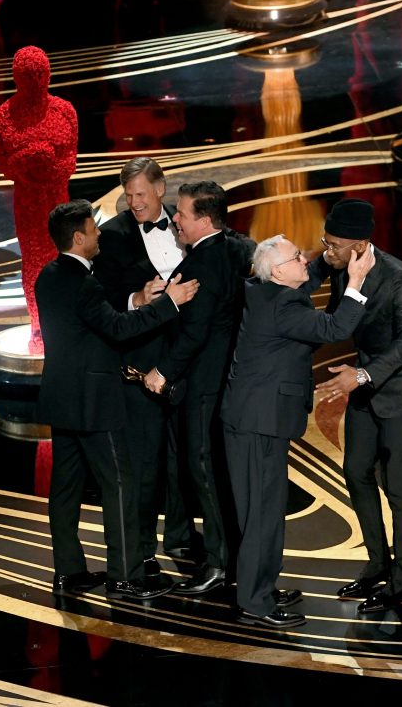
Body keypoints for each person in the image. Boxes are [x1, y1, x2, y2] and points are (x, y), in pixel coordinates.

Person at [35, 199, 198, 600]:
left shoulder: (48, 276)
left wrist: (137, 300)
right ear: (78, 238)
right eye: (93, 230)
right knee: (120, 484)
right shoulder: (85, 283)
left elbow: (90, 324)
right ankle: (124, 576)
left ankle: (68, 572)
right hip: (94, 402)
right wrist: (168, 303)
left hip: (61, 399)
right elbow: (118, 329)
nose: (99, 236)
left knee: (66, 489)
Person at [220, 235, 375, 628]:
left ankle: (262, 586)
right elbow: (334, 328)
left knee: (267, 510)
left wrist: (327, 258)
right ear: (277, 271)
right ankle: (255, 601)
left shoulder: (263, 289)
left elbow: (304, 281)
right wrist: (356, 280)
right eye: (297, 257)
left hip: (257, 417)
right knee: (261, 514)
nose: (304, 259)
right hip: (258, 421)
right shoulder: (283, 305)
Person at [314, 198, 402, 614]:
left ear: (359, 246)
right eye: (325, 241)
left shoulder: (398, 277)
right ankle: (377, 564)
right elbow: (332, 314)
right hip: (367, 379)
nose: (326, 251)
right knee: (356, 471)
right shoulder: (341, 265)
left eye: (334, 244)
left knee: (398, 485)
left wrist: (362, 375)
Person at [92, 157, 196, 575]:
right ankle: (142, 549)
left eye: (140, 193)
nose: (134, 202)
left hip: (187, 360)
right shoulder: (112, 237)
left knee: (184, 455)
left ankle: (182, 537)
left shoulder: (186, 225)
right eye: (128, 194)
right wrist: (137, 299)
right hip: (140, 366)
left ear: (160, 188)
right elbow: (101, 301)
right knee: (144, 462)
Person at [144, 181, 242, 595]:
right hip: (219, 381)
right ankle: (227, 557)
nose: (175, 221)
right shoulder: (230, 250)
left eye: (181, 214)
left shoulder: (203, 264)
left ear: (203, 220)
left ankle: (220, 563)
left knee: (204, 471)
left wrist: (162, 371)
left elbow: (195, 333)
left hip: (202, 385)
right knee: (211, 470)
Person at [0, 45, 78, 354]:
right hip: (28, 204)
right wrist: (30, 157)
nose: (36, 80)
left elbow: (70, 163)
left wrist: (48, 163)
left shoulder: (65, 111)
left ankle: (64, 322)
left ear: (48, 74)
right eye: (29, 75)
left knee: (64, 259)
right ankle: (39, 326)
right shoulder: (1, 119)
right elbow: (4, 166)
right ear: (16, 78)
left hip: (58, 200)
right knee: (34, 264)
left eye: (40, 74)